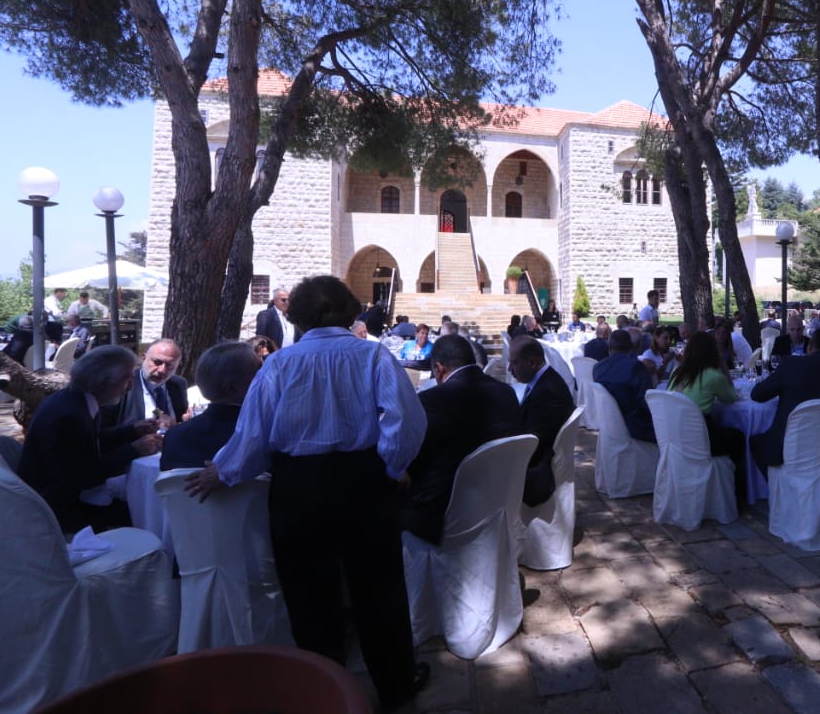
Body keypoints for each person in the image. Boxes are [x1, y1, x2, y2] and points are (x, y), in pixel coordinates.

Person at [185, 275, 430, 709]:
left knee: (309, 597)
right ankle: (395, 686)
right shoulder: (373, 355)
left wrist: (224, 471)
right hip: (362, 482)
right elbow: (406, 419)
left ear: (296, 315)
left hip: (298, 488)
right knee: (379, 591)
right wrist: (390, 466)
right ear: (349, 310)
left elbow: (254, 433)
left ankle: (325, 691)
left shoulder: (279, 364)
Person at [17, 345, 163, 533]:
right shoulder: (69, 415)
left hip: (64, 497)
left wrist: (132, 431)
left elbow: (88, 443)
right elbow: (80, 476)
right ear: (103, 382)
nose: (130, 387)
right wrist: (134, 450)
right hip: (57, 512)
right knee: (147, 512)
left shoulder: (74, 399)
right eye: (126, 379)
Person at [401, 334, 521, 543]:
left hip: (444, 514)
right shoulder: (506, 393)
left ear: (439, 368)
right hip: (499, 500)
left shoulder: (430, 400)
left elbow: (411, 461)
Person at [749, 328, 820, 472]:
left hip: (789, 452)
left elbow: (757, 395)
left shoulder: (791, 365)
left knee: (756, 441)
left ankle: (779, 484)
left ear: (809, 346)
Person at [665, 330, 747, 498]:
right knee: (738, 437)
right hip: (701, 439)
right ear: (712, 351)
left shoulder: (677, 372)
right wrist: (723, 368)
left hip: (675, 436)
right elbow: (731, 398)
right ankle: (738, 495)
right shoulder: (713, 375)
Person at [161, 341, 262, 470]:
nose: (263, 380)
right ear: (233, 387)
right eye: (258, 374)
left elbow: (170, 482)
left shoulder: (175, 435)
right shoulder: (260, 434)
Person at [507, 335, 575, 506]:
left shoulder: (548, 392)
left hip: (538, 468)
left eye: (514, 363)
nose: (509, 369)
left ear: (533, 362)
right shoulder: (545, 381)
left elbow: (534, 441)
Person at [103, 338, 189, 431]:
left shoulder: (178, 384)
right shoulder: (123, 383)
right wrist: (133, 432)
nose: (162, 370)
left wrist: (186, 421)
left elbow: (155, 407)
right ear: (144, 358)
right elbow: (101, 432)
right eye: (157, 362)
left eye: (170, 365)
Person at [593, 329, 655, 443]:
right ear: (631, 347)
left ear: (609, 347)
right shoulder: (636, 367)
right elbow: (647, 402)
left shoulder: (597, 368)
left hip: (608, 426)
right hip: (635, 429)